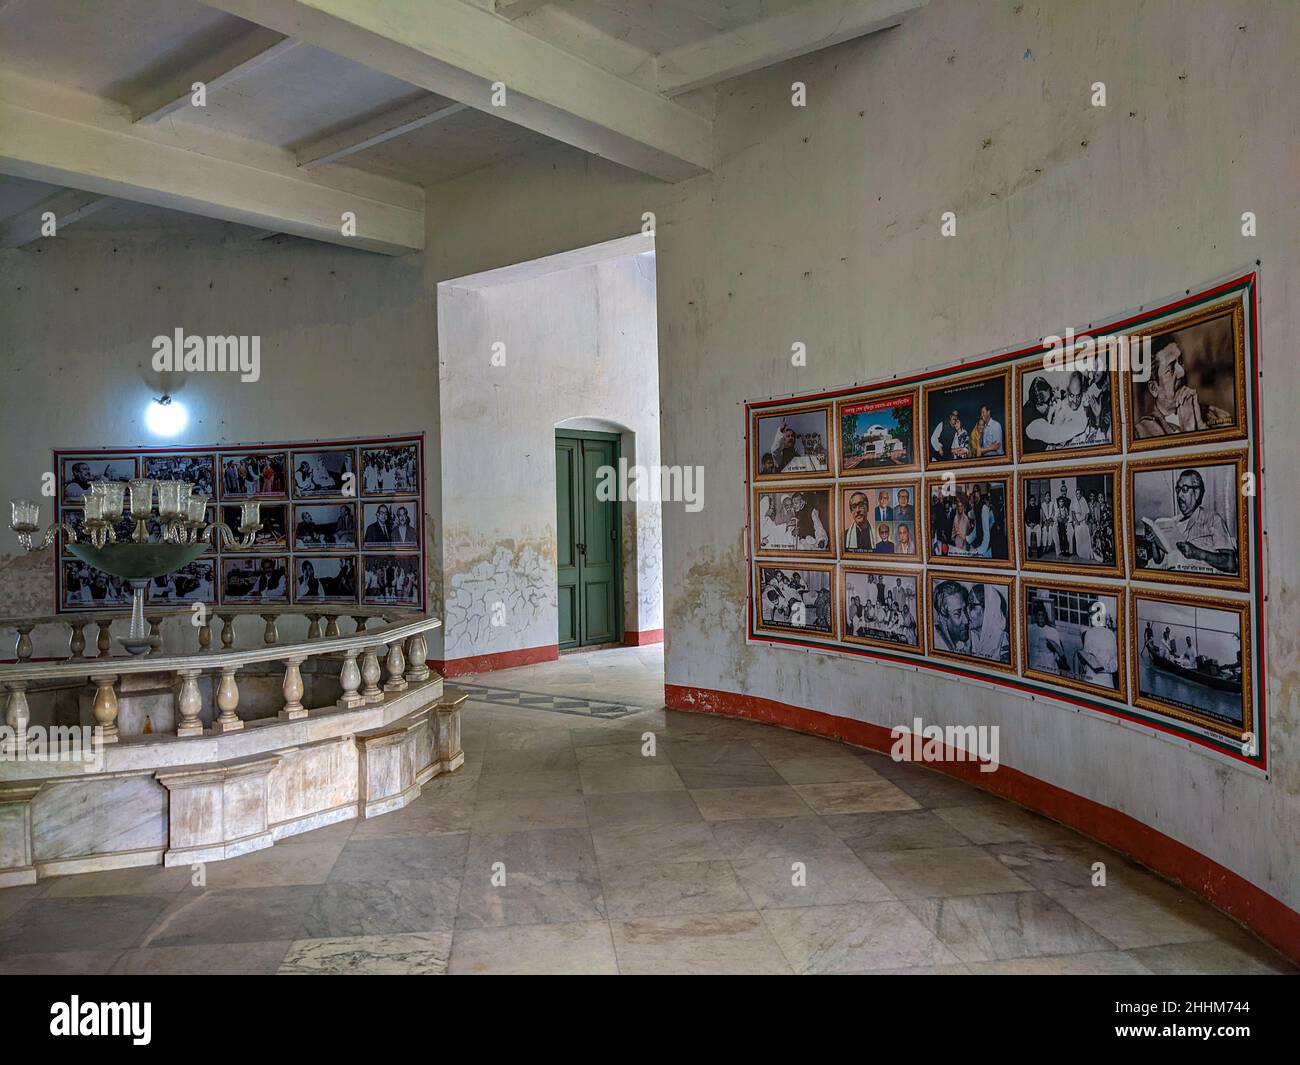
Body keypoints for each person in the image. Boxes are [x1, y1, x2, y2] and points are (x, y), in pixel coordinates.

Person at [1144, 468, 1238, 574]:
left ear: (1197, 492)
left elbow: (1231, 564)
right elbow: (1158, 560)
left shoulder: (1213, 519)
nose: (1179, 495)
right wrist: (1154, 541)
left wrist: (1197, 553)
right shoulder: (1172, 522)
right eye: (1178, 489)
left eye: (1184, 489)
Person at [1134, 341, 1233, 439]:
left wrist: (1201, 426)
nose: (1182, 372)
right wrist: (1189, 432)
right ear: (1154, 388)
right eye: (1171, 369)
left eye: (1181, 362)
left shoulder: (1219, 416)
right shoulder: (1141, 433)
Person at [968, 584, 1010, 663]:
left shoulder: (1003, 642)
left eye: (972, 606)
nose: (966, 612)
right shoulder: (970, 636)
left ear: (988, 609)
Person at [1079, 615, 1119, 688]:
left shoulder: (1088, 633)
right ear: (1105, 621)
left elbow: (1086, 657)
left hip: (1090, 678)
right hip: (1106, 680)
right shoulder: (1111, 634)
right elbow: (1114, 665)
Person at [1027, 601, 1067, 674]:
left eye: (1043, 615)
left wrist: (1050, 648)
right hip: (1034, 665)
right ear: (1035, 616)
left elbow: (1060, 653)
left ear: (1045, 615)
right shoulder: (1030, 629)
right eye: (1039, 615)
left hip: (1049, 665)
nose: (1041, 617)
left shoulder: (1052, 631)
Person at [932, 580, 971, 653]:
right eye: (957, 614)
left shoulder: (972, 639)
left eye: (965, 610)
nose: (966, 620)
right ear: (943, 618)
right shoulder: (937, 645)